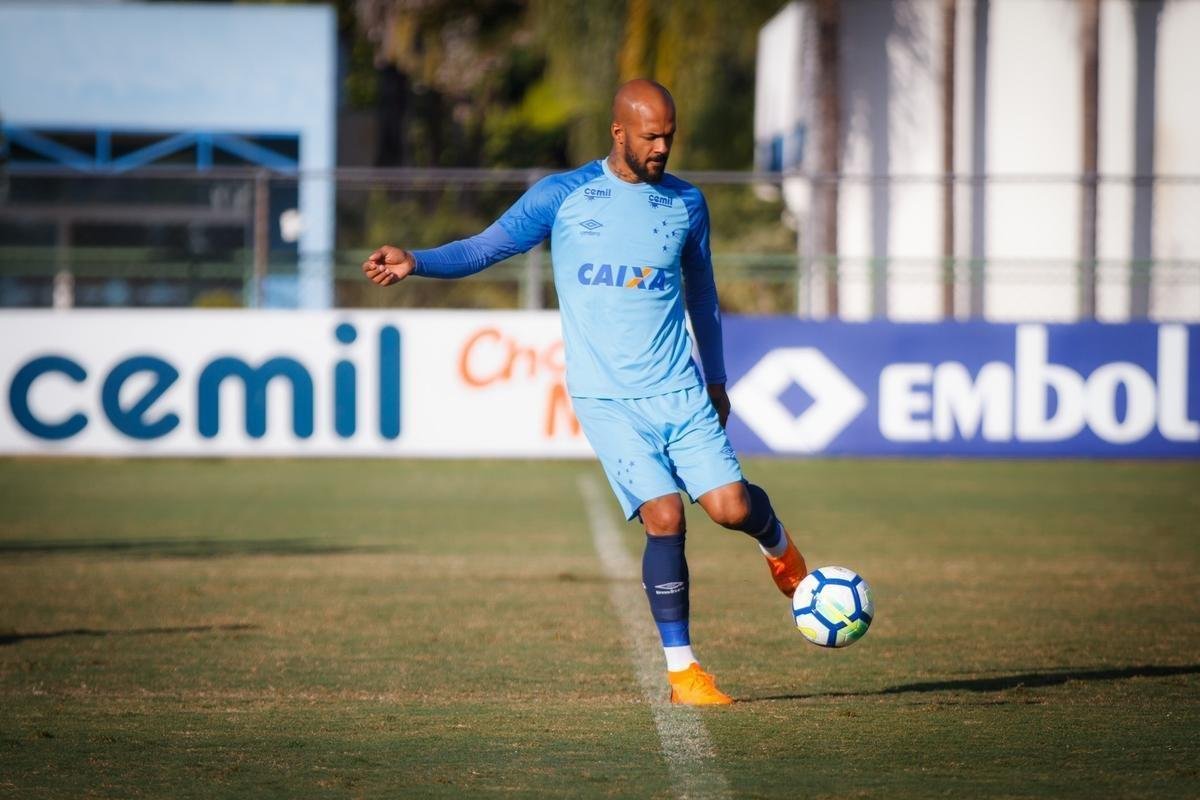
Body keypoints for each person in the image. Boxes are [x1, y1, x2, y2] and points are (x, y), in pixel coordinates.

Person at [363, 79, 807, 706]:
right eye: (650, 136)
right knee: (665, 515)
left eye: (669, 136)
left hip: (679, 389)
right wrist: (417, 260)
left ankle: (779, 546)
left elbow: (703, 295)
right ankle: (684, 673)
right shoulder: (563, 194)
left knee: (731, 508)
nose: (662, 147)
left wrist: (716, 380)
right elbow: (486, 247)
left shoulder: (687, 203)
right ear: (618, 132)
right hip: (607, 400)